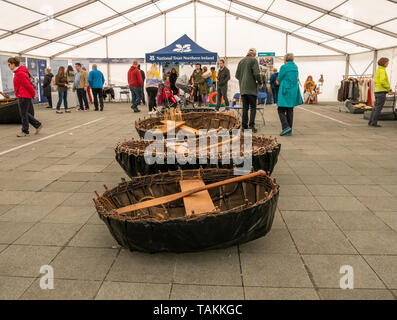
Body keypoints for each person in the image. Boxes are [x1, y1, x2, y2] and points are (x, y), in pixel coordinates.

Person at [7, 57, 42, 137]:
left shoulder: (20, 73)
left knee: (23, 114)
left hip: (24, 96)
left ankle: (25, 131)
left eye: (9, 64)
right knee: (24, 113)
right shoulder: (18, 72)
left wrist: (33, 94)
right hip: (23, 95)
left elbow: (28, 85)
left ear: (13, 64)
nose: (8, 66)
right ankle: (37, 125)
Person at [235, 48, 263, 132]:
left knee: (245, 108)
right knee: (253, 107)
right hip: (251, 89)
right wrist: (260, 82)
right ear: (254, 54)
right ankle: (251, 126)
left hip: (243, 89)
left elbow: (237, 75)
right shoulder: (253, 61)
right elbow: (257, 74)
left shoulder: (241, 61)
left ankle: (244, 127)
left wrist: (243, 80)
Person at [277, 53, 303, 136]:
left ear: (285, 60)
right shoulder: (295, 67)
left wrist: (280, 81)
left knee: (280, 109)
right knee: (290, 110)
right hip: (293, 90)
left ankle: (285, 127)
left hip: (285, 90)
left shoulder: (284, 67)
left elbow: (279, 78)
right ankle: (289, 130)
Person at [368, 57, 393, 127]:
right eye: (387, 62)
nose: (388, 64)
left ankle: (371, 121)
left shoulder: (378, 70)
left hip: (377, 91)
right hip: (381, 92)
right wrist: (388, 88)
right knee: (378, 108)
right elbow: (382, 81)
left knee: (375, 108)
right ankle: (374, 123)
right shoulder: (382, 70)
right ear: (384, 63)